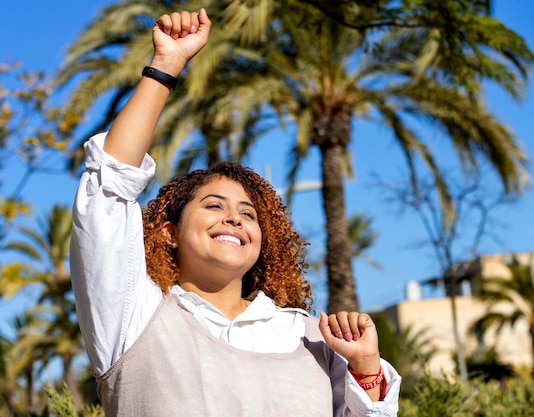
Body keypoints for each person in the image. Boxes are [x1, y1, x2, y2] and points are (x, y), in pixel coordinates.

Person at [70, 8, 400, 416]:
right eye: (213, 206)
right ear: (169, 232)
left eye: (249, 214)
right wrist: (165, 66)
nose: (235, 219)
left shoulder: (312, 339)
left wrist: (366, 370)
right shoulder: (131, 317)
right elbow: (107, 189)